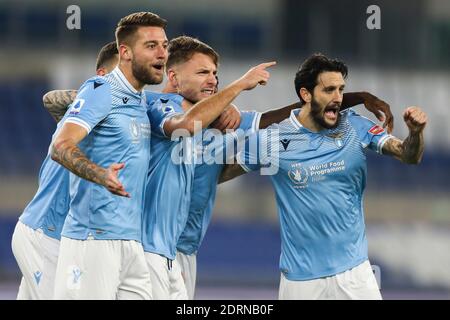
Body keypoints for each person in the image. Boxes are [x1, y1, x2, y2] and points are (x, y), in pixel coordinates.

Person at [220, 53, 426, 300]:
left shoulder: (355, 126)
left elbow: (408, 155)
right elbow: (219, 175)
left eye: (341, 89)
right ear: (306, 95)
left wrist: (415, 133)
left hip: (355, 275)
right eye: (329, 90)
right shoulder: (272, 140)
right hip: (301, 280)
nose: (338, 98)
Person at [51, 12, 168, 300]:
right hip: (93, 239)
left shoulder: (139, 97)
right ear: (125, 52)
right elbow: (60, 146)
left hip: (130, 239)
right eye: (151, 45)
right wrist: (100, 174)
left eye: (165, 45)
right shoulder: (101, 90)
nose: (163, 53)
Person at [10, 41, 119, 300]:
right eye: (121, 76)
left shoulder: (116, 122)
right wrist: (94, 97)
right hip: (45, 233)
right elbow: (49, 99)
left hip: (61, 237)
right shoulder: (85, 113)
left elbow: (50, 100)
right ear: (101, 77)